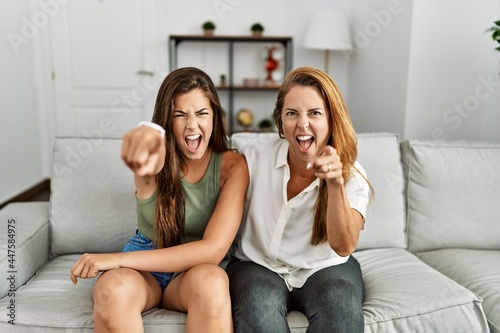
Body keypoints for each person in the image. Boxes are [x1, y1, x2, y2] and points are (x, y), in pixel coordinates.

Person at [70, 67, 249, 333]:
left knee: (213, 283)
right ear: (167, 120)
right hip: (145, 264)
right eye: (180, 115)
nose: (192, 125)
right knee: (111, 291)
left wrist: (115, 260)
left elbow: (211, 251)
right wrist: (143, 155)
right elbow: (144, 161)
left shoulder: (233, 167)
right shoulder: (156, 158)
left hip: (194, 270)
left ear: (215, 117)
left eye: (202, 113)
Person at [226, 66, 371, 333]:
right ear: (280, 122)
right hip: (258, 264)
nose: (302, 124)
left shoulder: (352, 173)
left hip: (325, 267)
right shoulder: (254, 157)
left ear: (331, 118)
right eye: (292, 113)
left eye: (314, 113)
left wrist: (335, 183)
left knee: (342, 313)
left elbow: (343, 245)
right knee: (258, 308)